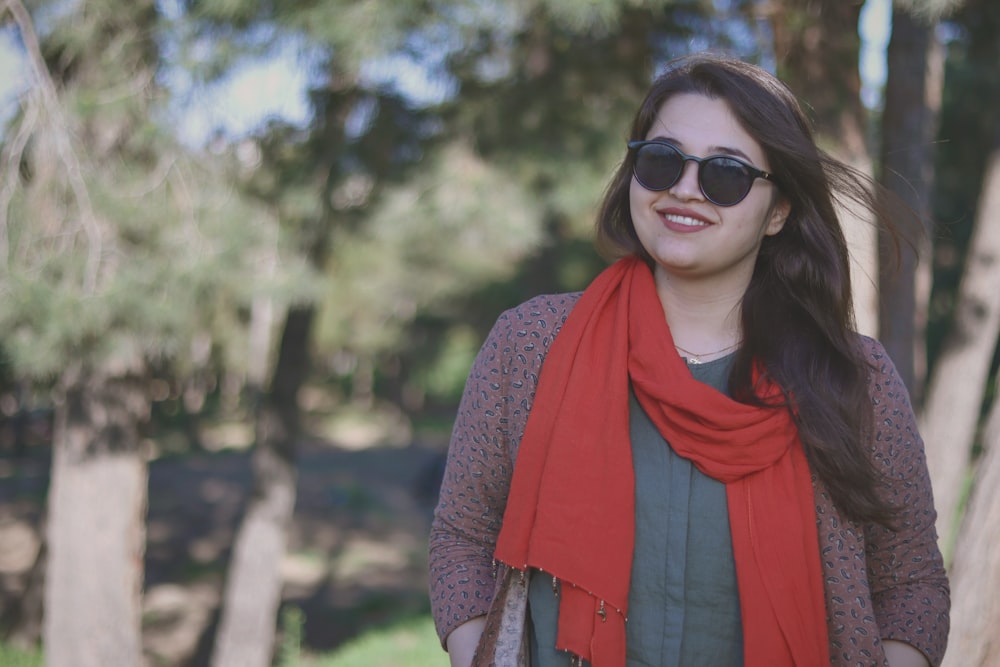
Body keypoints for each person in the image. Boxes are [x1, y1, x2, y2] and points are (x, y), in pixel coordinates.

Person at [428, 53, 950, 667]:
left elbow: (909, 587)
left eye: (725, 174)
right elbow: (461, 543)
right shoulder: (529, 345)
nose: (683, 188)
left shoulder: (854, 379)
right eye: (662, 161)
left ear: (778, 210)